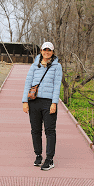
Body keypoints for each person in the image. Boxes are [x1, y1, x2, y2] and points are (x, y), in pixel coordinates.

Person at [22, 41, 62, 171]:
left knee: (50, 131)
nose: (47, 52)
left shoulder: (57, 67)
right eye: (44, 50)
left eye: (49, 50)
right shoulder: (35, 66)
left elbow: (57, 86)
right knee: (35, 130)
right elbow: (28, 83)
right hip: (34, 101)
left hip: (48, 102)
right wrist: (25, 101)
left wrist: (54, 103)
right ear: (41, 51)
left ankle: (49, 159)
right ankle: (38, 155)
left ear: (53, 52)